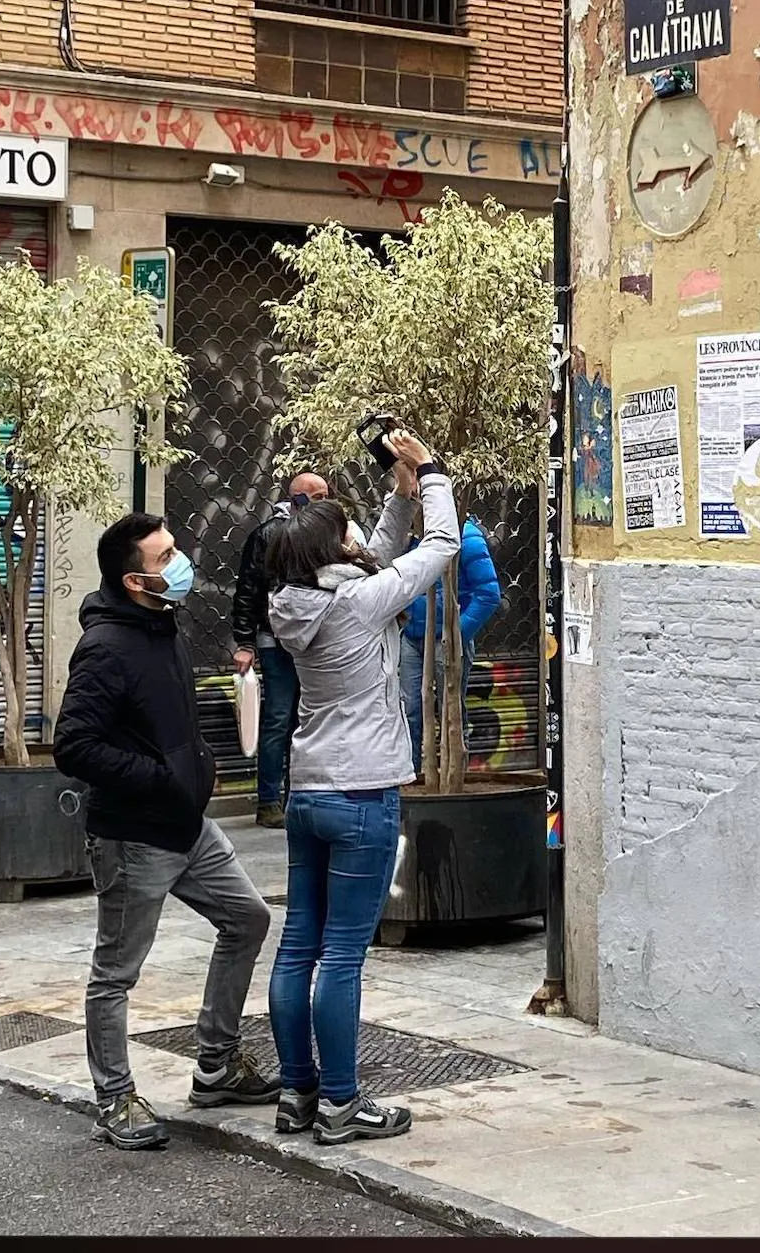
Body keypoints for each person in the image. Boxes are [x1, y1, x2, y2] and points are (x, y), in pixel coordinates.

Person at [54, 512, 278, 1152]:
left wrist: (189, 772)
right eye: (166, 557)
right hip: (134, 835)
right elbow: (73, 745)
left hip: (187, 825)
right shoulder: (106, 648)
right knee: (116, 973)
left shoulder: (162, 625)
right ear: (134, 580)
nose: (180, 562)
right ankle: (115, 1098)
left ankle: (216, 1063)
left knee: (249, 919)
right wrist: (155, 778)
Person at [264, 430, 458, 1145]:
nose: (353, 532)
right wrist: (432, 473)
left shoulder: (296, 599)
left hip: (309, 790)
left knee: (298, 946)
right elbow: (440, 548)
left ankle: (297, 1092)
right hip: (362, 794)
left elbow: (366, 555)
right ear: (329, 549)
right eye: (341, 526)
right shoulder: (358, 604)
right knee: (343, 954)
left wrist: (395, 497)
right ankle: (343, 1103)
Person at [232, 473, 366, 828]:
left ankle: (297, 795)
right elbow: (249, 589)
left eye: (327, 494)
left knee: (302, 718)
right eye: (317, 496)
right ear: (298, 499)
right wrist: (245, 642)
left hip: (310, 638)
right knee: (278, 718)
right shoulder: (270, 534)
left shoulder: (321, 534)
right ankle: (269, 801)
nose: (326, 501)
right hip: (275, 640)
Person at [399, 513, 502, 778]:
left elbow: (489, 594)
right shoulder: (411, 538)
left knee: (451, 712)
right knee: (409, 709)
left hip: (445, 638)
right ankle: (411, 778)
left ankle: (452, 779)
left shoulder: (466, 537)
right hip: (412, 637)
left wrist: (457, 633)